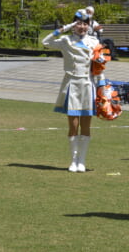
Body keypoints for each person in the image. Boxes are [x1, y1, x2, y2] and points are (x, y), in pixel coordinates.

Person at [42, 9, 104, 173]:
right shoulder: (66, 40)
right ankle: (73, 160)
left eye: (85, 24)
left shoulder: (94, 42)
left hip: (87, 84)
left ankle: (82, 160)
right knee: (73, 124)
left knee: (86, 123)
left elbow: (100, 68)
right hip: (72, 83)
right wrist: (64, 28)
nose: (82, 27)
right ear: (74, 25)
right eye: (78, 23)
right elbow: (45, 42)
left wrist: (102, 89)